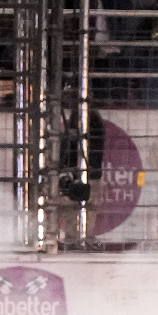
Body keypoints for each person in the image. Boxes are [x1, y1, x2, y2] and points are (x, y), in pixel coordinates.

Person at [56, 96, 106, 247]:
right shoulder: (92, 119)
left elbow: (70, 146)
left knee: (76, 206)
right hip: (90, 172)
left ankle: (74, 239)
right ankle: (83, 237)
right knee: (86, 208)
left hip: (83, 172)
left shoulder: (81, 118)